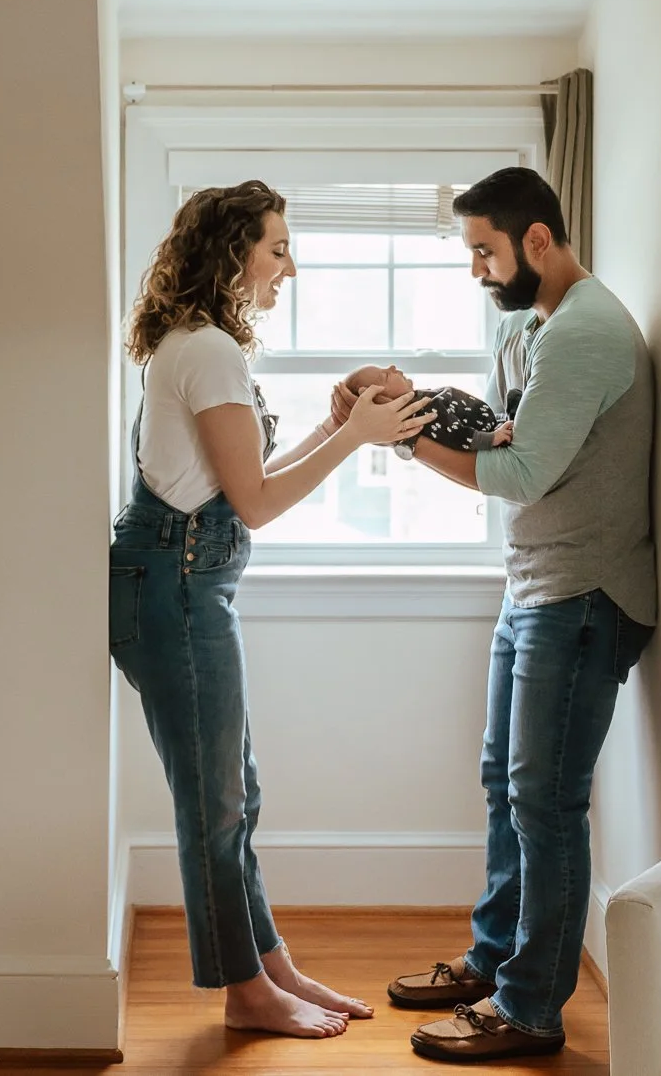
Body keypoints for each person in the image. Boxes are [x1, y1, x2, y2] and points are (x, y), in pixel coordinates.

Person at [340, 166, 657, 1063]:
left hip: (585, 593)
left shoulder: (588, 333)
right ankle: (493, 959)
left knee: (545, 801)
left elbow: (516, 472)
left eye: (484, 249)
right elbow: (495, 434)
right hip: (535, 583)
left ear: (539, 240)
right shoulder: (528, 324)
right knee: (504, 785)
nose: (476, 268)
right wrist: (409, 403)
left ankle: (528, 1010)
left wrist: (403, 439)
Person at [112, 180, 436, 1039]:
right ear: (234, 253)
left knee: (235, 793)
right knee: (215, 801)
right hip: (176, 587)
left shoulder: (201, 345)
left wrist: (338, 428)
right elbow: (254, 503)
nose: (290, 265)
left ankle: (269, 964)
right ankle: (245, 993)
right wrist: (356, 437)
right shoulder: (208, 350)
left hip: (181, 583)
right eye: (278, 247)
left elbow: (233, 481)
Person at [337, 364, 515, 454]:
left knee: (515, 397)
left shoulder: (420, 400)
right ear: (384, 401)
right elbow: (457, 435)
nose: (392, 367)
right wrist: (492, 438)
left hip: (493, 420)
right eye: (385, 375)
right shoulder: (422, 415)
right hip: (487, 434)